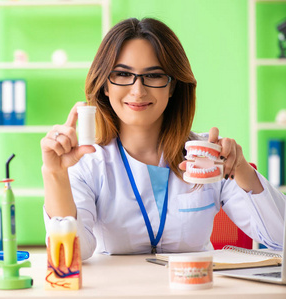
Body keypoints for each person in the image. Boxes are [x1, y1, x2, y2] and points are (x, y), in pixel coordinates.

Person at [40, 17, 285, 260]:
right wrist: (55, 174)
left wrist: (240, 169)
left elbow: (280, 238)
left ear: (172, 86)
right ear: (105, 85)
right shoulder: (87, 161)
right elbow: (68, 255)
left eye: (154, 75)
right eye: (123, 74)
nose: (138, 90)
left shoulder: (206, 155)